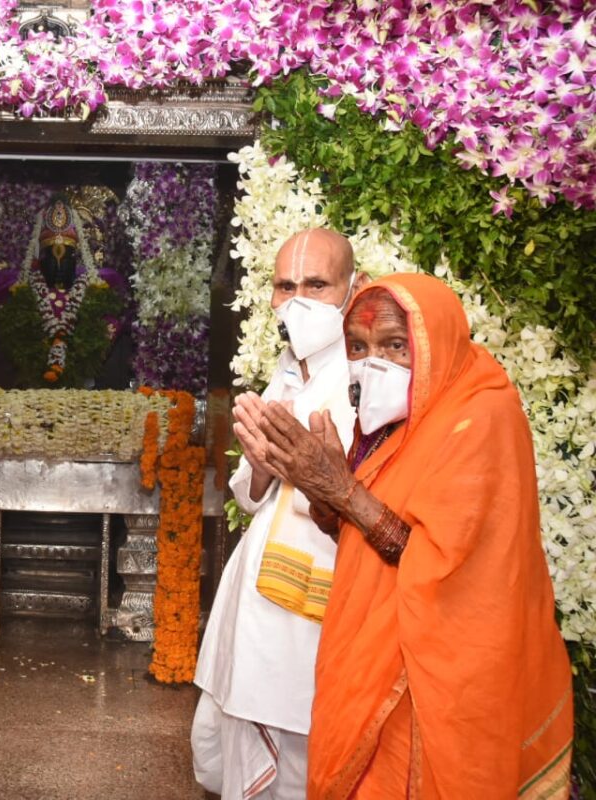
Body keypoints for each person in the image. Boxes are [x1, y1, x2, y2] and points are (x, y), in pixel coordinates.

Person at [257, 272, 573, 797]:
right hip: (374, 656)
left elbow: (443, 564)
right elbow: (369, 539)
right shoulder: (397, 420)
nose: (373, 361)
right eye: (358, 347)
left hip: (442, 678)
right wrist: (326, 495)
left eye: (394, 345)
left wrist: (342, 490)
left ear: (434, 341)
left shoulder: (481, 416)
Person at [191, 228, 363, 798]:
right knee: (234, 729)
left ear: (353, 287)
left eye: (316, 285)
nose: (299, 300)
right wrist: (263, 466)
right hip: (256, 587)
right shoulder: (289, 367)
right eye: (286, 286)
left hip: (315, 594)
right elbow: (249, 491)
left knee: (297, 746)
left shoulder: (362, 375)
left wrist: (315, 472)